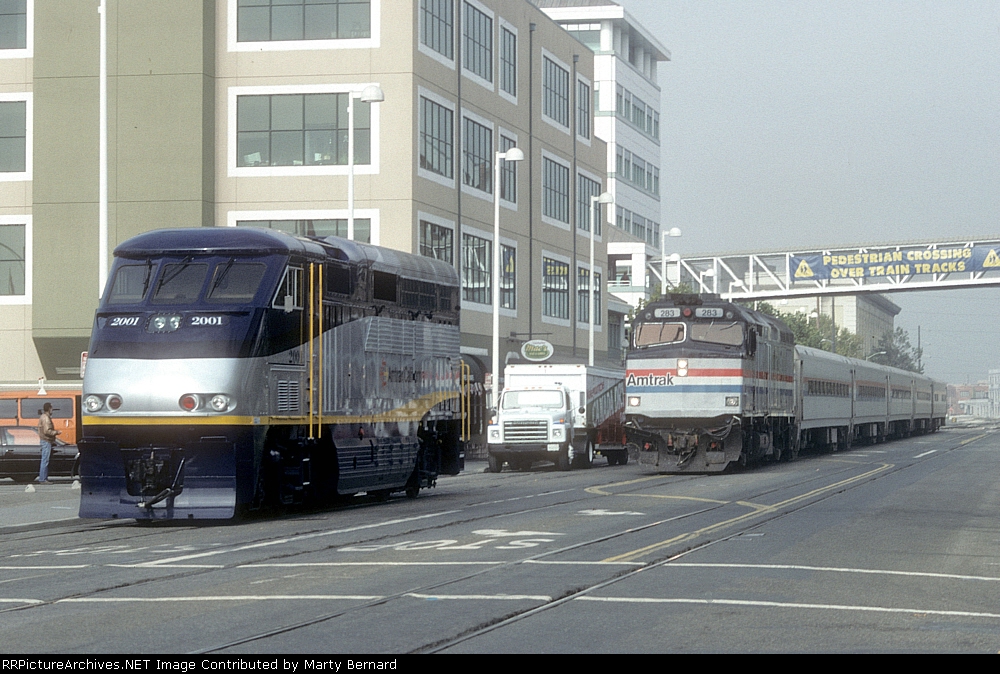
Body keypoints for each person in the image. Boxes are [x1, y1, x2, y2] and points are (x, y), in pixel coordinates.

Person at [37, 402, 60, 484]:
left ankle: (43, 478)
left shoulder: (43, 417)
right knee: (45, 460)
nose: (52, 410)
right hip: (46, 441)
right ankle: (43, 479)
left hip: (45, 440)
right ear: (49, 408)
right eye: (51, 408)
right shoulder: (46, 418)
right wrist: (56, 432)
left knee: (45, 460)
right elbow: (47, 431)